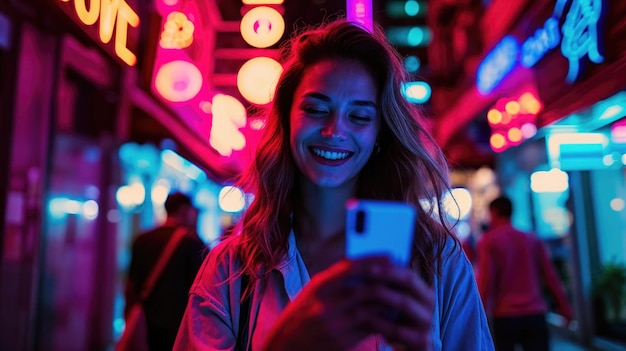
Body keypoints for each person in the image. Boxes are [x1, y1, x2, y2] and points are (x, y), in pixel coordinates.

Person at [174, 19, 494, 351]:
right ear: (286, 119)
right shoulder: (231, 269)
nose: (334, 131)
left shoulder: (437, 260)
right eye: (315, 109)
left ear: (379, 134)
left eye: (359, 116)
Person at [476, 195, 573, 351]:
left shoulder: (489, 241)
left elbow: (486, 278)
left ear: (493, 212)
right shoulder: (532, 239)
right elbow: (550, 277)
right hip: (535, 313)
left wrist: (478, 314)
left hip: (505, 315)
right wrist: (565, 308)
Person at [124, 192, 208, 351]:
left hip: (147, 325)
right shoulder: (192, 242)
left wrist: (129, 317)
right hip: (177, 327)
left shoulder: (143, 239)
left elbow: (131, 286)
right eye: (192, 210)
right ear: (184, 210)